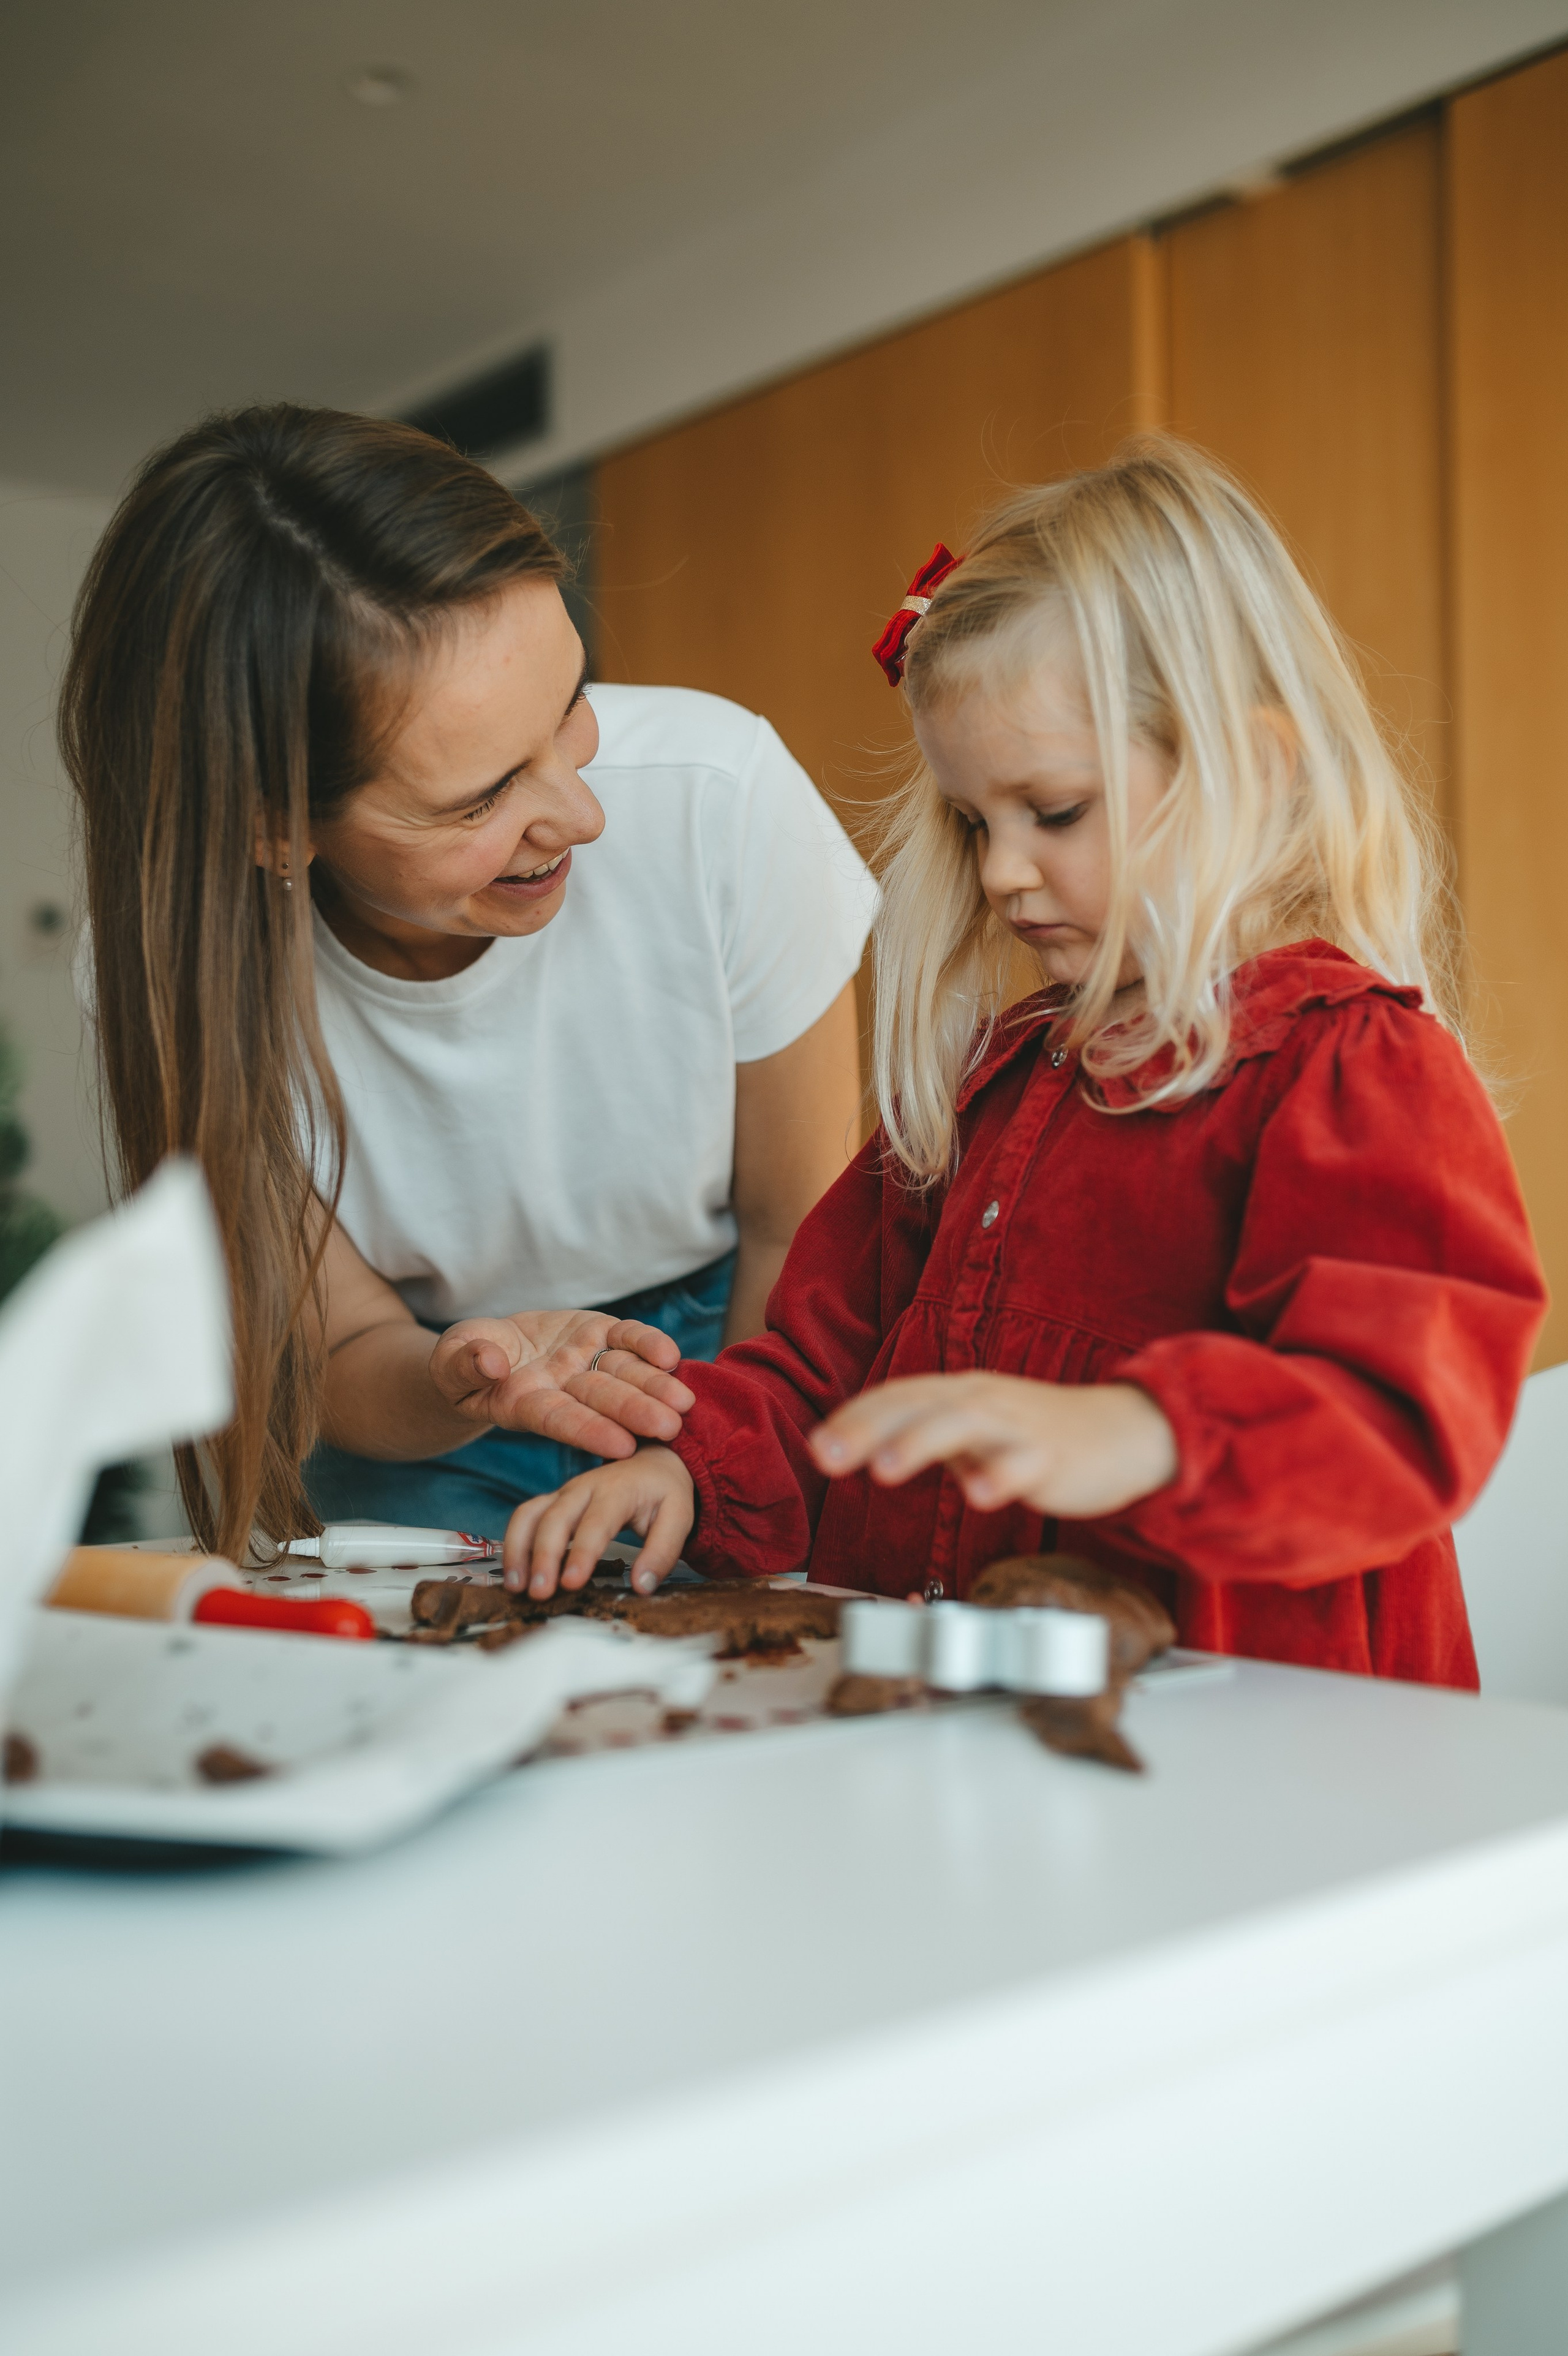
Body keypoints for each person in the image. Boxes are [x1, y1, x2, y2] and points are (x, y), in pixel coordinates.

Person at [503, 439, 1546, 1690]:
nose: (999, 871)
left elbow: (1395, 1410)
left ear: (1250, 774)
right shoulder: (988, 1086)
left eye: (1050, 812)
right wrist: (687, 1464)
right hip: (958, 1728)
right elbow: (821, 1362)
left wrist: (1139, 1432)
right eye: (969, 822)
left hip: (1250, 1757)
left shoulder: (1348, 1067)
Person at [61, 406, 870, 1559]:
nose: (583, 815)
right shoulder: (171, 969)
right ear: (273, 832)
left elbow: (801, 1230)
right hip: (430, 1405)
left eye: (569, 710)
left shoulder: (717, 796)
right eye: (482, 798)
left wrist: (701, 1459)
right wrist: (472, 1381)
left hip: (743, 1344)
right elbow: (340, 1352)